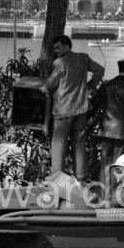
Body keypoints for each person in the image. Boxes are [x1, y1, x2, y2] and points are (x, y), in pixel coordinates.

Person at [44, 35, 104, 182]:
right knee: (79, 143)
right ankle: (81, 176)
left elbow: (50, 86)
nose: (56, 51)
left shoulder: (59, 63)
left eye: (58, 47)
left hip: (63, 109)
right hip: (81, 108)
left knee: (59, 144)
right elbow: (100, 69)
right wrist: (90, 87)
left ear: (67, 46)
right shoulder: (83, 58)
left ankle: (58, 177)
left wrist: (44, 87)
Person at [97, 58, 124, 196]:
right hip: (123, 132)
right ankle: (116, 195)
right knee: (120, 164)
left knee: (105, 163)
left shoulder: (106, 86)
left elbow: (99, 105)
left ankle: (104, 194)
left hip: (105, 129)